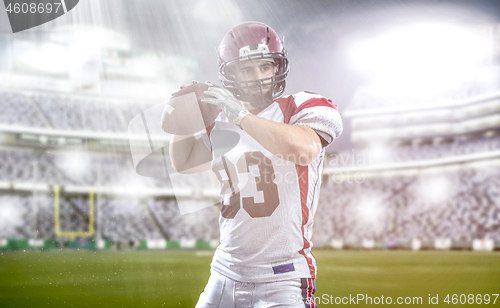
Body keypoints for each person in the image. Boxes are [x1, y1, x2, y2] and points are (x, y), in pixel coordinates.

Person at [168, 21, 343, 308]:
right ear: (231, 74)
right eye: (246, 70)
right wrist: (184, 119)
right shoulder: (220, 120)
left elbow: (302, 149)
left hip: (283, 277)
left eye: (265, 67)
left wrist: (241, 116)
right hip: (224, 271)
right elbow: (184, 162)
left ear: (277, 67)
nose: (258, 77)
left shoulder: (301, 106)